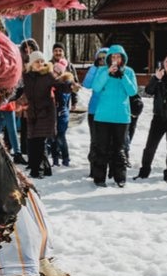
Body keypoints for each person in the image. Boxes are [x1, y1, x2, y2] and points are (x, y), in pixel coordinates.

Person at [19, 50, 74, 179]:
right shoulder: (26, 76)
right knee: (31, 142)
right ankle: (44, 168)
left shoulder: (47, 75)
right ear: (31, 63)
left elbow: (60, 85)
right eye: (37, 61)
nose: (40, 64)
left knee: (38, 142)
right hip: (32, 113)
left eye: (42, 61)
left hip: (46, 113)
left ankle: (37, 171)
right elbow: (18, 90)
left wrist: (70, 85)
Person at [89, 44, 137, 188]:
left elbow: (132, 91)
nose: (116, 59)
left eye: (118, 57)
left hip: (121, 117)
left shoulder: (129, 72)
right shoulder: (102, 70)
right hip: (102, 116)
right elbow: (96, 87)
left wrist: (122, 76)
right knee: (101, 148)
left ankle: (120, 177)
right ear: (109, 58)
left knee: (119, 149)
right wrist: (107, 73)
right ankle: (99, 178)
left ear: (123, 59)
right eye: (113, 57)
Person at [135, 51, 167, 183]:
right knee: (150, 146)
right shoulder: (157, 76)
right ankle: (144, 171)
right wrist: (156, 79)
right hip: (158, 117)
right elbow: (148, 91)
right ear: (164, 63)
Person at [82, 46, 109, 171]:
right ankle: (94, 168)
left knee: (107, 141)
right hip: (94, 110)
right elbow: (87, 84)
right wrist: (94, 68)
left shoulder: (112, 71)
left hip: (108, 111)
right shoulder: (95, 70)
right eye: (100, 58)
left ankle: (106, 166)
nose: (102, 60)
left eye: (105, 57)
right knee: (95, 141)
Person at [49, 59, 78, 167]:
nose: (53, 73)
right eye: (53, 71)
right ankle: (55, 159)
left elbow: (68, 90)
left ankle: (65, 158)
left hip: (62, 114)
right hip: (54, 113)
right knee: (53, 137)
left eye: (56, 72)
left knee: (60, 136)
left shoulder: (64, 84)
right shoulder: (54, 84)